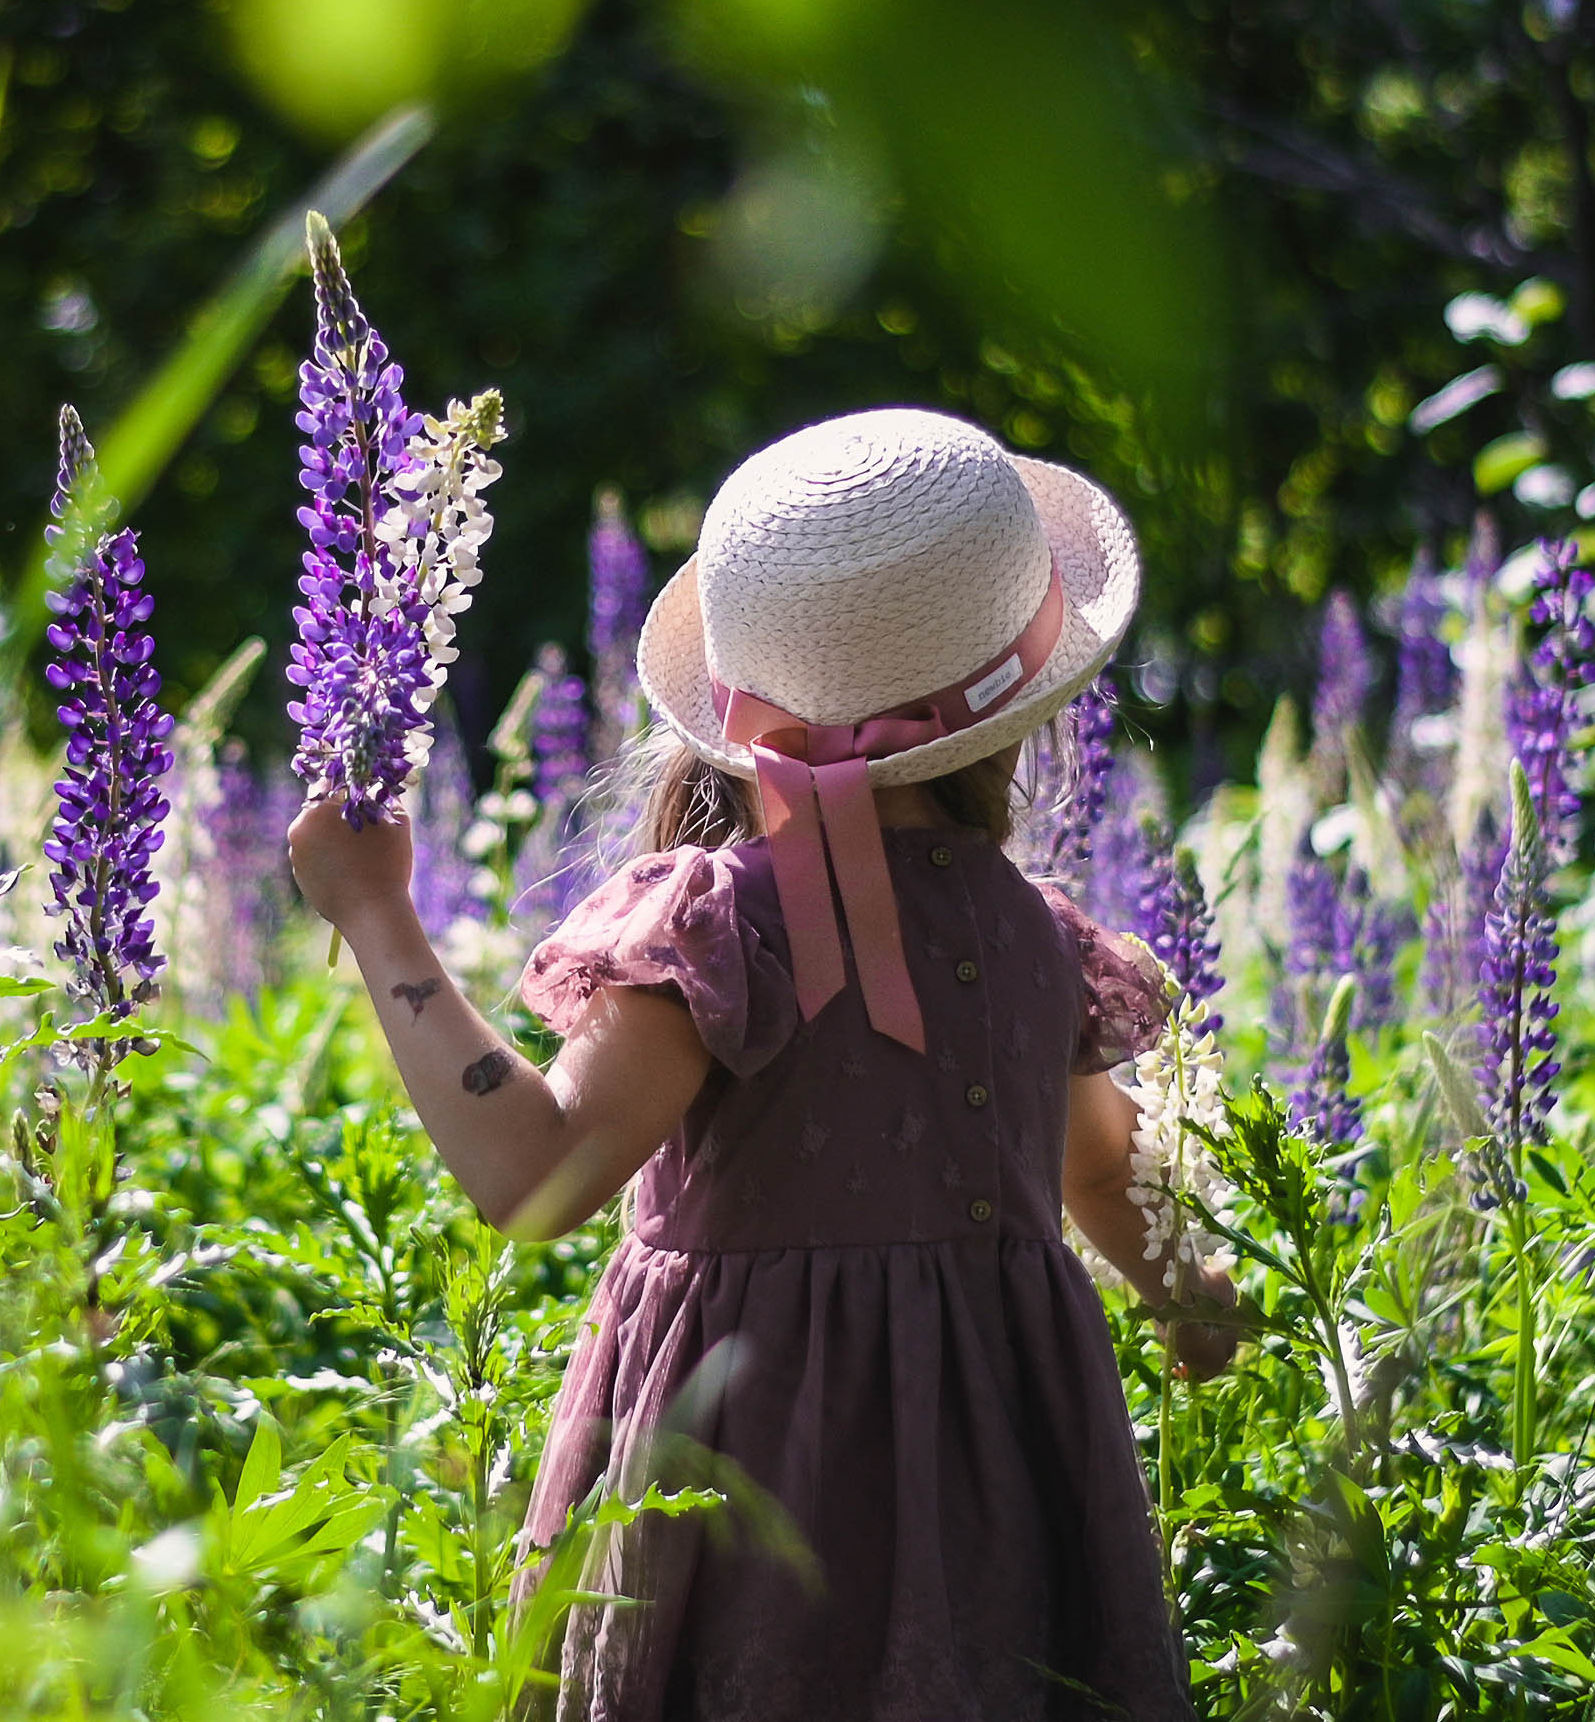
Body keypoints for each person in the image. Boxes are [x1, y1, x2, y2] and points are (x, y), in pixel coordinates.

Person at [289, 407, 1239, 1720]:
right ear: (1022, 715)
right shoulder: (1037, 939)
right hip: (997, 1494)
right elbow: (1103, 1168)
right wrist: (1195, 1296)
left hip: (735, 1479)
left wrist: (376, 913)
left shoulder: (718, 925)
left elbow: (537, 1176)